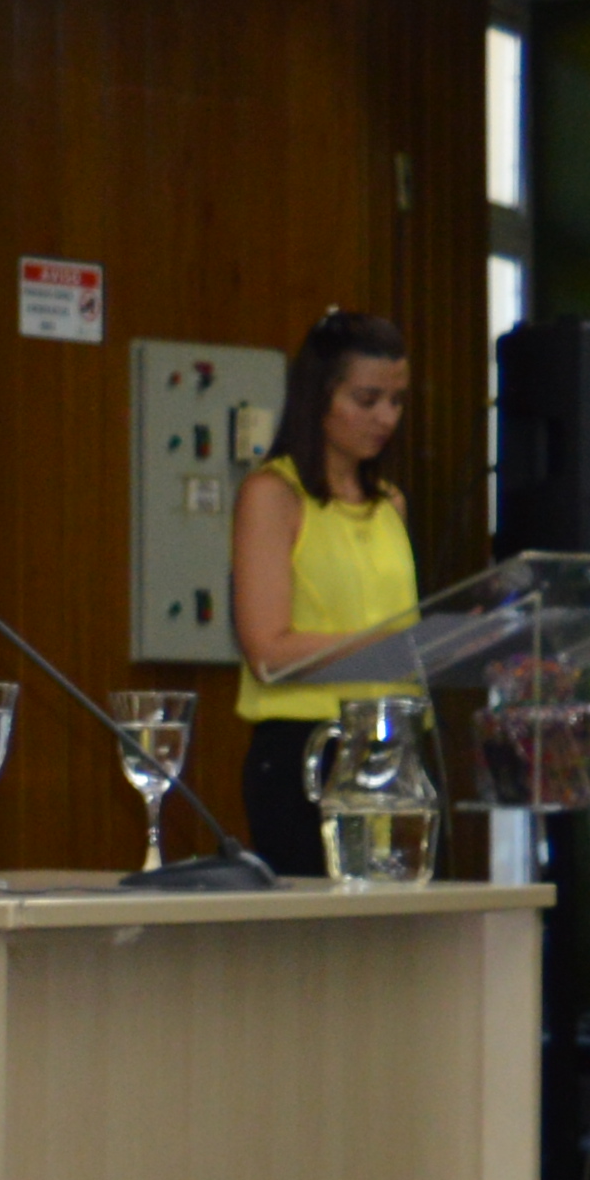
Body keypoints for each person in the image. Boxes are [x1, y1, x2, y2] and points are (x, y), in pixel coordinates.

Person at [228, 307, 419, 877]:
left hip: (396, 750)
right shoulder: (273, 493)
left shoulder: (390, 504)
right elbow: (267, 652)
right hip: (309, 752)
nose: (386, 417)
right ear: (319, 396)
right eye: (367, 400)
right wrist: (387, 646)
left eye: (398, 401)